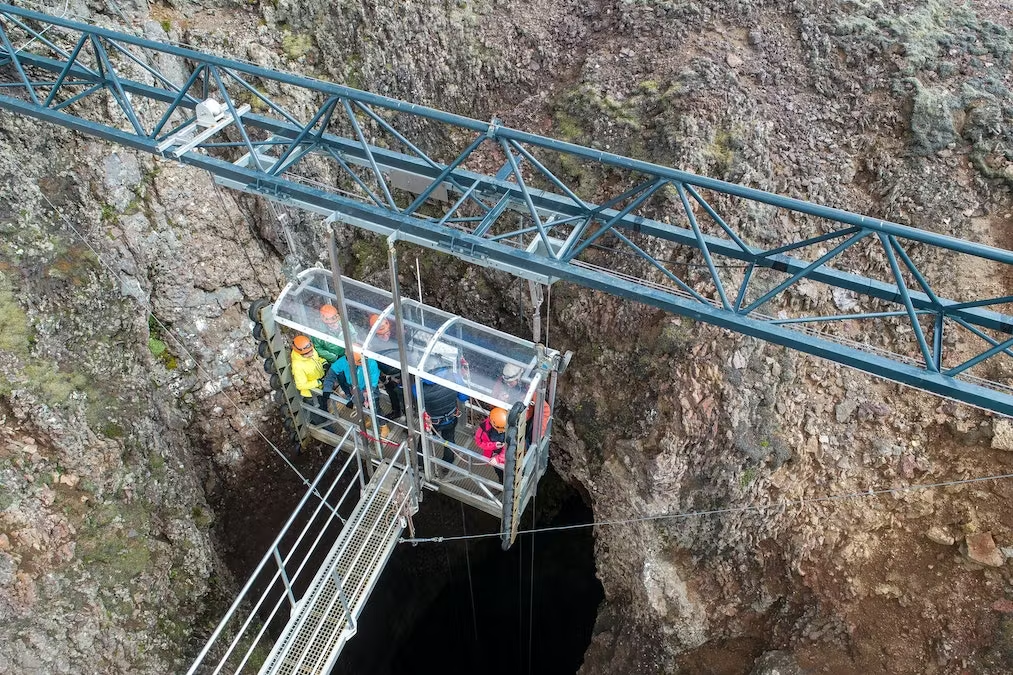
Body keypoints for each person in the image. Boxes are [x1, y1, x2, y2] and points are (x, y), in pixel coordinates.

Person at [413, 364, 468, 477]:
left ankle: (420, 463)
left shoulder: (419, 387)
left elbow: (417, 400)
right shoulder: (454, 378)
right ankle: (447, 464)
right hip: (451, 418)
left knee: (424, 440)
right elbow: (463, 397)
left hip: (433, 422)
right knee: (449, 439)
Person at [490, 363, 551, 446]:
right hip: (502, 421)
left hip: (523, 423)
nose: (508, 384)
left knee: (522, 444)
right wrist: (499, 400)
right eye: (506, 382)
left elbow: (545, 409)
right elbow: (492, 403)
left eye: (511, 382)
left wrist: (538, 434)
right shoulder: (501, 382)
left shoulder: (529, 388)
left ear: (519, 379)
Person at [369, 314, 403, 420]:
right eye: (381, 334)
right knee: (392, 394)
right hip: (386, 375)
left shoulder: (397, 339)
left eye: (386, 333)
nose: (385, 336)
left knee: (405, 397)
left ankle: (407, 415)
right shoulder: (373, 342)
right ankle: (396, 411)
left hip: (401, 374)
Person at [475, 407, 509, 481]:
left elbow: (511, 447)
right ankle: (501, 482)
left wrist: (498, 458)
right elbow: (479, 442)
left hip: (505, 457)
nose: (501, 431)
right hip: (494, 456)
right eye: (499, 428)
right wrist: (493, 446)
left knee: (509, 474)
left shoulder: (509, 429)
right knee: (500, 473)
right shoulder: (484, 429)